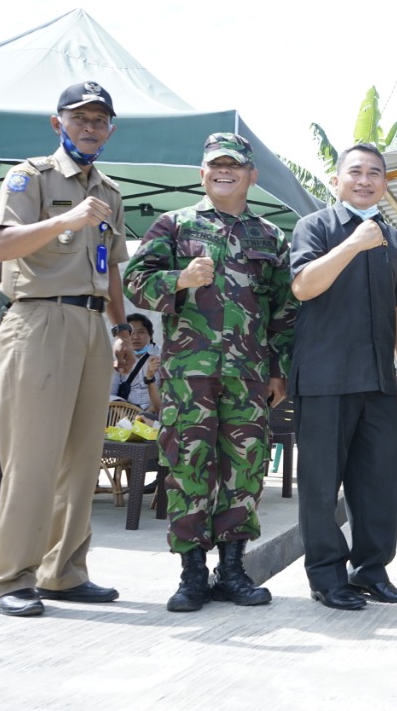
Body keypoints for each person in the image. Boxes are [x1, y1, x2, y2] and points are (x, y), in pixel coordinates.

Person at [124, 133, 296, 612]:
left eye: (235, 165)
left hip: (249, 375)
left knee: (245, 470)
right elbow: (134, 282)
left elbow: (284, 311)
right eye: (216, 165)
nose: (225, 171)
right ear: (202, 173)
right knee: (187, 466)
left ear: (251, 175)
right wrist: (178, 279)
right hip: (188, 375)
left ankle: (233, 570)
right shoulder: (173, 226)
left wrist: (279, 371)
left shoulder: (270, 236)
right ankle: (192, 574)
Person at [0, 81, 133, 617]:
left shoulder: (110, 192)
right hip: (39, 319)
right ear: (58, 123)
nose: (90, 127)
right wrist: (66, 220)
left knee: (81, 458)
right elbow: (2, 244)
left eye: (99, 120)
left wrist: (120, 331)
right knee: (33, 456)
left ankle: (63, 571)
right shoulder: (30, 178)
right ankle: (8, 578)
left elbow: (110, 266)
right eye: (80, 118)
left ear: (110, 130)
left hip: (92, 326)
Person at [288, 143, 397, 611]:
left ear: (385, 182)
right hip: (324, 379)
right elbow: (304, 286)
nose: (365, 180)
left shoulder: (393, 237)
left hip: (379, 381)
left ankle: (371, 571)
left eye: (375, 173)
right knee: (321, 487)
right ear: (336, 179)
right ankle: (327, 577)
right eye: (355, 172)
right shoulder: (315, 227)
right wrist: (353, 243)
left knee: (380, 484)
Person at [109, 313, 161, 418]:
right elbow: (110, 394)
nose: (135, 337)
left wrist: (144, 415)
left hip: (154, 412)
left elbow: (168, 394)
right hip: (123, 412)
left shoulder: (162, 356)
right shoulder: (118, 358)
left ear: (150, 335)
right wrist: (125, 415)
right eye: (130, 333)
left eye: (141, 332)